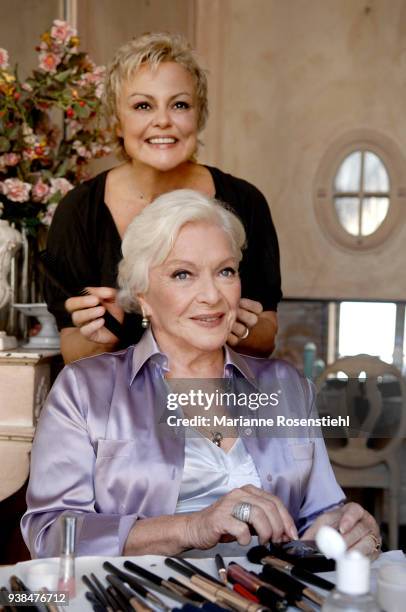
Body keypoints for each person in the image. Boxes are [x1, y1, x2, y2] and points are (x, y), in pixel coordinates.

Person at [22, 190, 381, 559]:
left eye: (225, 271)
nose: (212, 295)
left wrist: (348, 529)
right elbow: (51, 534)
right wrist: (194, 526)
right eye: (183, 274)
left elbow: (320, 516)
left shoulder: (286, 385)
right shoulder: (84, 390)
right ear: (142, 294)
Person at [44, 32, 282, 364]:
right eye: (143, 105)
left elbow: (266, 336)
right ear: (116, 120)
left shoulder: (245, 203)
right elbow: (72, 350)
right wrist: (104, 336)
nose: (163, 121)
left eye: (180, 105)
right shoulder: (79, 212)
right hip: (111, 409)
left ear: (198, 116)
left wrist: (232, 326)